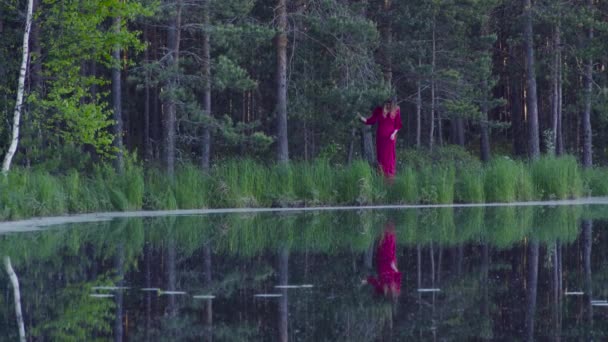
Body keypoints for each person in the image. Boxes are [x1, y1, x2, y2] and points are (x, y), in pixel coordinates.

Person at [359, 97, 403, 178]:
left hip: (390, 138)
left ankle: (390, 176)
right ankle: (381, 175)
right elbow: (371, 120)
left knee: (389, 158)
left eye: (390, 105)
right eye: (387, 104)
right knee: (381, 156)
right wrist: (362, 119)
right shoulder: (379, 110)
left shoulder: (396, 110)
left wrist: (393, 134)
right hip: (380, 138)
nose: (388, 106)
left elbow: (398, 125)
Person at [362, 223, 402, 300]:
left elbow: (374, 282)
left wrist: (366, 280)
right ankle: (389, 227)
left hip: (381, 261)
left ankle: (382, 226)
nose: (385, 290)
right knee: (389, 245)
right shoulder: (396, 286)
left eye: (385, 291)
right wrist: (393, 266)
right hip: (389, 262)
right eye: (387, 291)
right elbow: (397, 274)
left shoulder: (381, 287)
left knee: (383, 244)